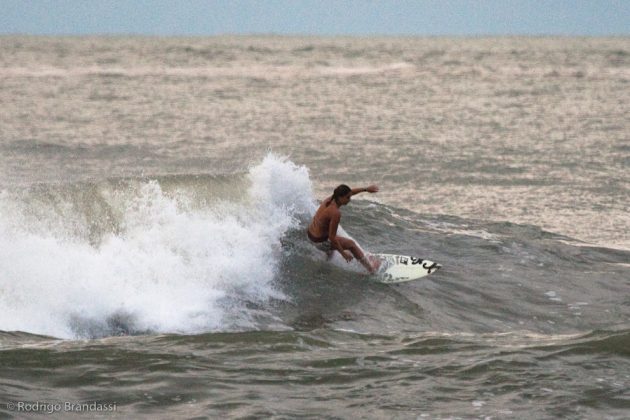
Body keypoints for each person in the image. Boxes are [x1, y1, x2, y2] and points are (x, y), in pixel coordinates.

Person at [307, 184, 380, 273]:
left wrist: (366, 189)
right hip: (319, 242)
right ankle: (371, 270)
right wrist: (343, 253)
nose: (349, 200)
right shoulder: (335, 213)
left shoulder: (330, 199)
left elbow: (351, 192)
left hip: (311, 235)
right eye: (347, 198)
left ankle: (327, 261)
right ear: (340, 197)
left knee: (331, 236)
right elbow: (332, 238)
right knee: (351, 244)